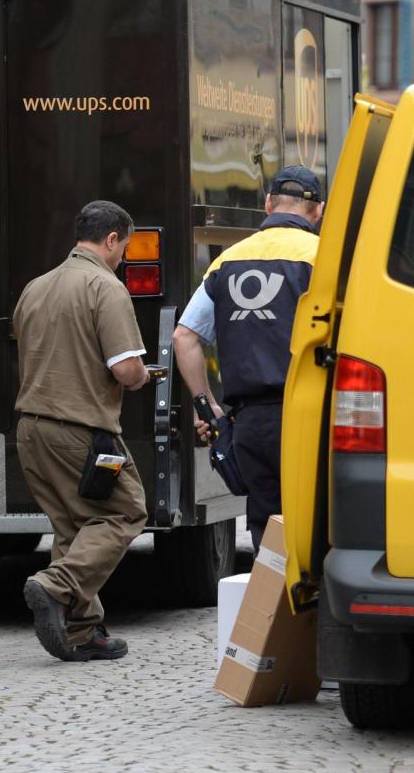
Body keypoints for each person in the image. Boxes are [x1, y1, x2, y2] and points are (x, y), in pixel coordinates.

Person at [14, 200, 154, 662]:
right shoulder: (104, 286)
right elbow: (124, 368)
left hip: (30, 430)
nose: (124, 258)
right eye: (124, 248)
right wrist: (143, 375)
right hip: (82, 431)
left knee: (74, 524)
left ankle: (82, 630)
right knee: (127, 511)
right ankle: (54, 586)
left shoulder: (35, 287)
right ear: (111, 239)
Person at [173, 166, 325, 548]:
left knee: (268, 529)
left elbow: (184, 336)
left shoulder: (227, 261)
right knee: (317, 526)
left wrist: (206, 407)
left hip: (250, 424)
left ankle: (269, 605)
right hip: (310, 417)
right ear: (319, 210)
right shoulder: (324, 258)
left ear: (268, 204)